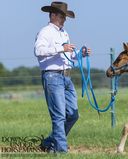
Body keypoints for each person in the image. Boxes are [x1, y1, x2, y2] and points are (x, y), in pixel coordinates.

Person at [34, 1, 90, 153]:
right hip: (52, 76)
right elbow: (38, 51)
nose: (64, 19)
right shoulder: (45, 32)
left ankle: (48, 143)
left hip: (66, 77)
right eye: (62, 16)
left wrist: (80, 54)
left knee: (73, 114)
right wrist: (61, 48)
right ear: (53, 15)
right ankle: (61, 150)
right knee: (59, 116)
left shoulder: (64, 32)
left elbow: (69, 55)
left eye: (65, 16)